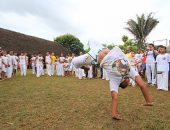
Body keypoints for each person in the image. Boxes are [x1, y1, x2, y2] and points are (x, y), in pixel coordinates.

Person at [99, 47, 153, 120]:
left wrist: (103, 62)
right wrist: (148, 101)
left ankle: (114, 113)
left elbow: (114, 97)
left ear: (122, 81)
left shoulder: (114, 79)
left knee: (103, 56)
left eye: (127, 82)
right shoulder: (129, 72)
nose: (128, 81)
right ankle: (148, 101)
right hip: (118, 64)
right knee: (141, 84)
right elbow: (142, 84)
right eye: (128, 82)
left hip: (112, 65)